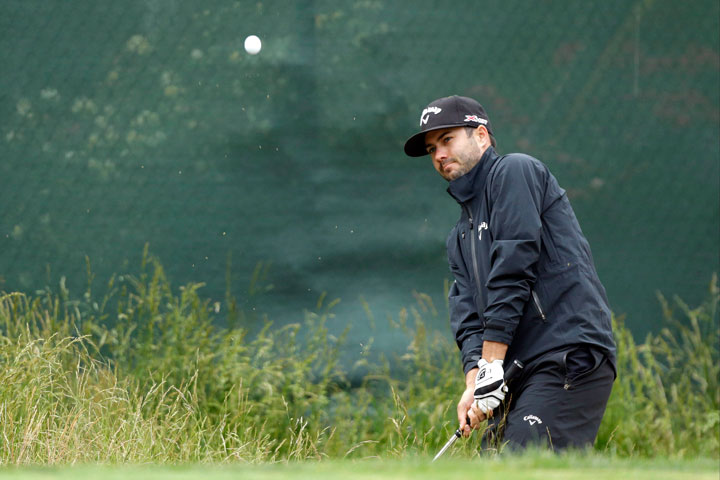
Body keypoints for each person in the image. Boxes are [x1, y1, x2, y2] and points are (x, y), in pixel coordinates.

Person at [403, 95, 617, 451]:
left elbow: (513, 267)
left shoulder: (516, 171)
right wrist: (475, 382)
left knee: (519, 464)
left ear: (482, 136)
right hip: (518, 370)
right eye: (431, 149)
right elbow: (468, 317)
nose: (439, 155)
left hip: (566, 354)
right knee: (493, 462)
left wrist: (491, 362)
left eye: (447, 139)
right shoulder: (460, 235)